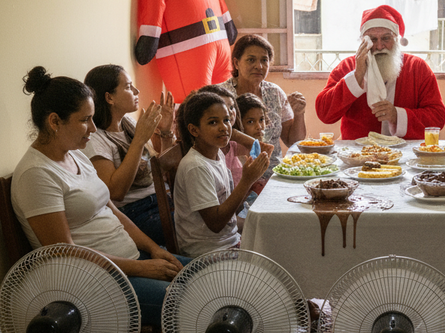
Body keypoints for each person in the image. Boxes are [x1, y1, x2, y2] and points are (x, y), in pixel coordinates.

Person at [11, 67, 188, 328]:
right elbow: (66, 252)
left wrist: (152, 250)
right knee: (192, 299)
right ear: (54, 122)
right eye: (85, 120)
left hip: (130, 258)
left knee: (209, 274)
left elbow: (113, 211)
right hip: (96, 280)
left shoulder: (75, 154)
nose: (93, 128)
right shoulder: (36, 175)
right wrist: (142, 267)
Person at [315, 4, 445, 139]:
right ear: (363, 42)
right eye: (372, 39)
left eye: (386, 38)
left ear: (396, 39)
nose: (379, 46)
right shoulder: (347, 66)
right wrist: (357, 75)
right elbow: (324, 113)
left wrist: (397, 116)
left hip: (405, 155)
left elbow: (438, 118)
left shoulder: (417, 68)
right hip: (357, 155)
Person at [82, 64, 176, 246]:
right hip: (135, 213)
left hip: (161, 199)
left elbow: (160, 168)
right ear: (109, 98)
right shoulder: (94, 139)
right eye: (128, 87)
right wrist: (139, 140)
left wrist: (165, 132)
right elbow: (116, 192)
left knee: (205, 210)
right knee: (199, 224)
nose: (136, 90)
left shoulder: (127, 123)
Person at [173, 91, 269, 258]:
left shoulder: (218, 155)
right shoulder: (196, 167)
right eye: (213, 122)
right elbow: (216, 224)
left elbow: (229, 219)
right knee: (279, 261)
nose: (224, 127)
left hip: (229, 241)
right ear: (194, 130)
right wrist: (247, 180)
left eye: (226, 120)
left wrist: (255, 226)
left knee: (278, 239)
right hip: (208, 254)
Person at [218, 34, 305, 172]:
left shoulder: (275, 93)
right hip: (234, 177)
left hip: (274, 173)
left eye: (264, 60)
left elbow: (293, 142)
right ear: (236, 63)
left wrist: (299, 114)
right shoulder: (220, 96)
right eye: (251, 60)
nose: (259, 66)